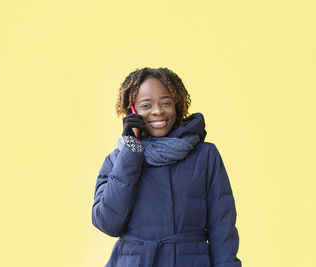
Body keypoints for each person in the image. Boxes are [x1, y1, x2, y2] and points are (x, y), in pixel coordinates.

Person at [91, 67, 242, 267]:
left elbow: (223, 227)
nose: (158, 111)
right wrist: (131, 151)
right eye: (146, 105)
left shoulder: (205, 155)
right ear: (132, 110)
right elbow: (108, 223)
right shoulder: (117, 160)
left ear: (177, 106)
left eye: (165, 103)